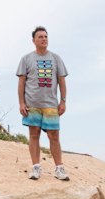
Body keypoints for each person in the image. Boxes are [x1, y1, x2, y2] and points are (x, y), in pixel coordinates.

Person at [17, 26, 69, 181]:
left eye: (46, 36)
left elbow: (62, 81)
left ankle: (59, 169)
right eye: (40, 37)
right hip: (32, 104)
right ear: (34, 40)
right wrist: (21, 103)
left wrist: (63, 101)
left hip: (51, 104)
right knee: (34, 135)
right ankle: (36, 168)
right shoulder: (26, 59)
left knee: (54, 136)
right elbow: (21, 83)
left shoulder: (56, 58)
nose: (44, 39)